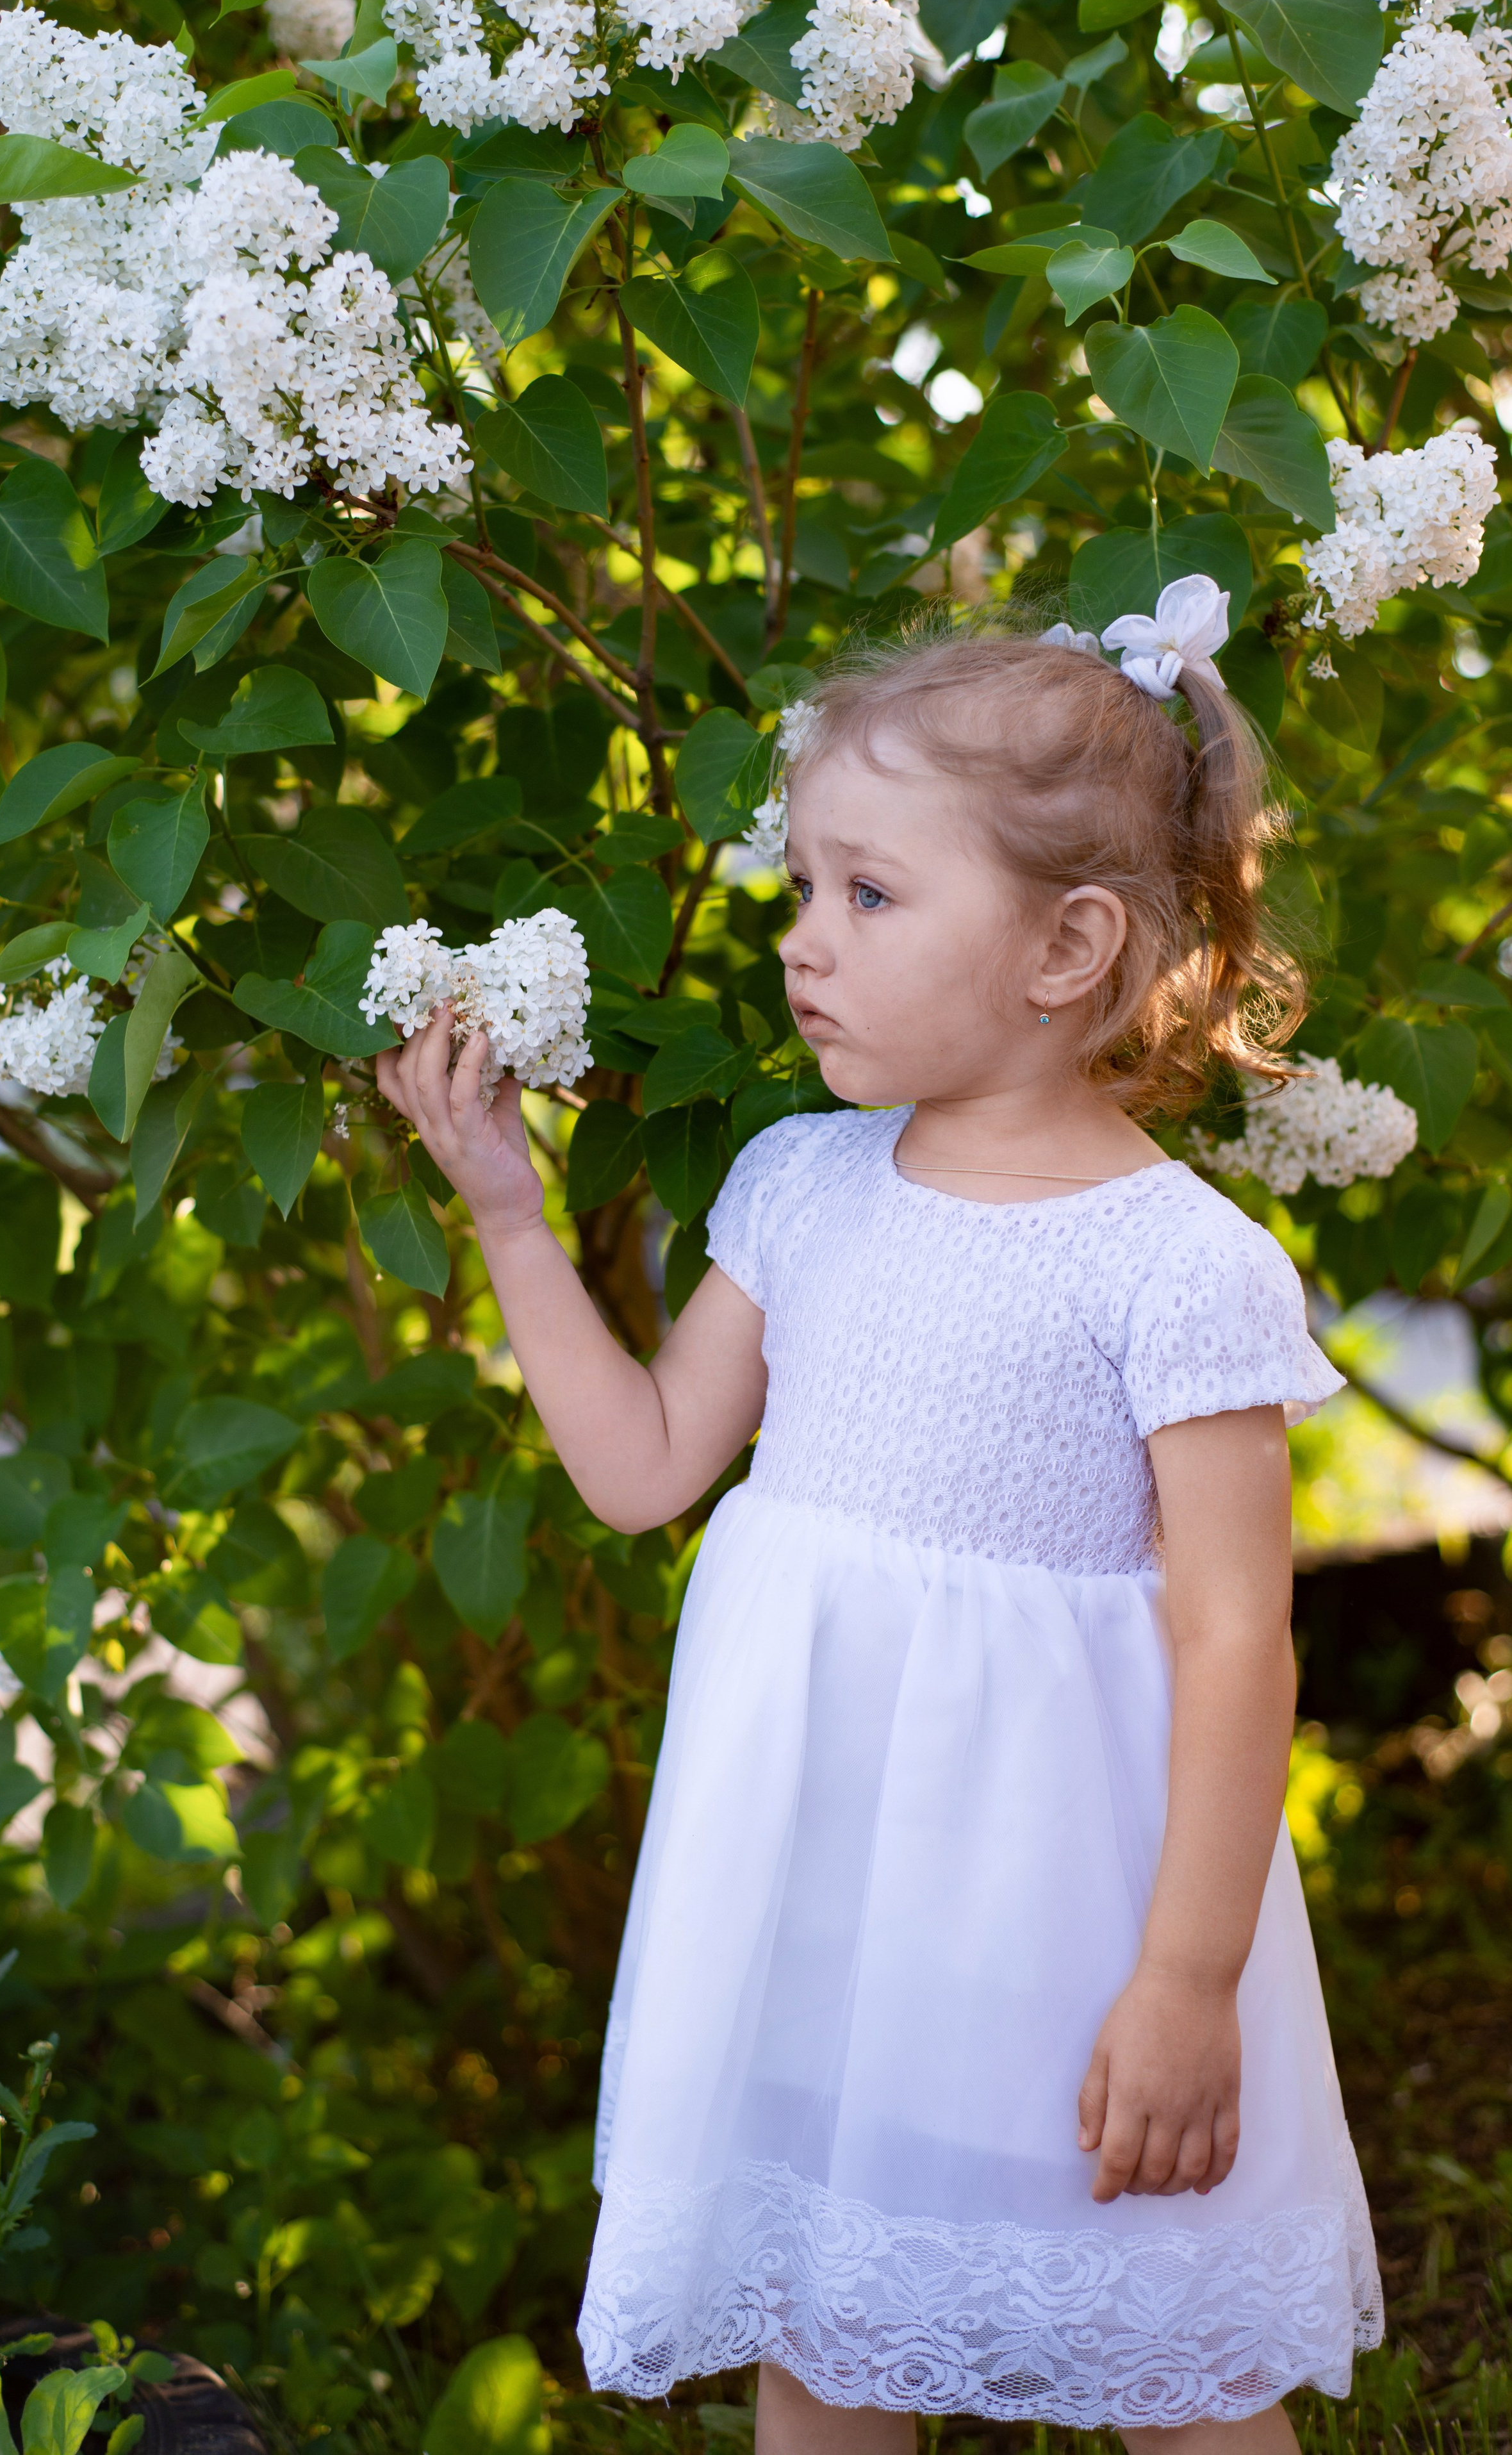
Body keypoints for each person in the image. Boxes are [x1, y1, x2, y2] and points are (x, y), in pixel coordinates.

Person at [375, 583, 1383, 2455]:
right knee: (828, 2325)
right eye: (805, 890)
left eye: (869, 894)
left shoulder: (1178, 1265)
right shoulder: (801, 1189)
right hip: (829, 1904)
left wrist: (1185, 1980)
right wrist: (511, 1216)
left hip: (1076, 1916)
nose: (803, 944)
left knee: (1171, 2342)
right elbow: (648, 1465)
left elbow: (1242, 1637)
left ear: (1069, 944)